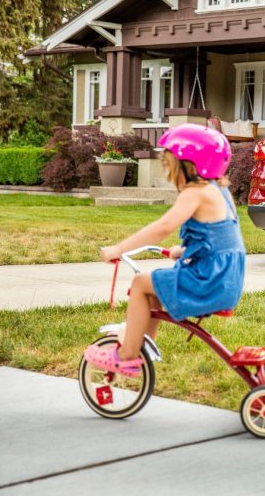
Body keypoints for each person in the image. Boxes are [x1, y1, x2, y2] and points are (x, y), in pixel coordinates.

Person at [84, 123, 246, 377]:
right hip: (224, 279)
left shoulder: (196, 192)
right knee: (155, 289)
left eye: (170, 166)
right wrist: (184, 250)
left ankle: (126, 356)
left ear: (188, 165)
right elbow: (221, 237)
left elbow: (163, 227)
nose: (169, 173)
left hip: (210, 282)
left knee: (140, 284)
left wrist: (118, 248)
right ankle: (141, 348)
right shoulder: (219, 190)